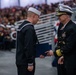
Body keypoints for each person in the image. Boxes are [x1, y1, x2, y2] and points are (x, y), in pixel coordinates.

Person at [46, 4, 76, 75]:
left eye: (60, 15)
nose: (58, 17)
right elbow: (60, 43)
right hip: (62, 58)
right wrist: (61, 55)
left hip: (70, 61)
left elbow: (69, 46)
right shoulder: (61, 26)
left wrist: (54, 53)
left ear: (67, 15)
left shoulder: (72, 28)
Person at [16, 7, 41, 75]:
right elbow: (28, 46)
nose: (38, 19)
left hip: (21, 59)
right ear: (34, 16)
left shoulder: (22, 26)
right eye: (38, 17)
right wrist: (30, 63)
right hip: (26, 62)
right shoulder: (29, 28)